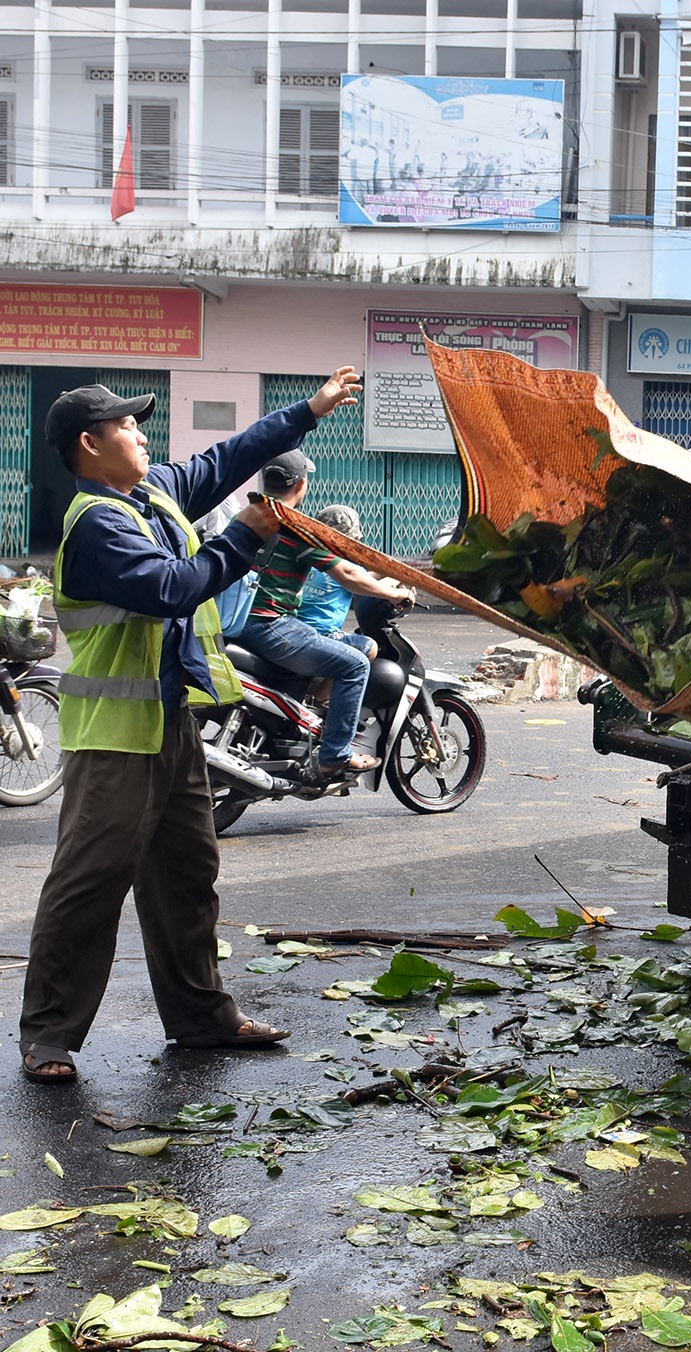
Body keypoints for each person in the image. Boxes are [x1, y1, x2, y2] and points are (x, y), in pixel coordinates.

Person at [20, 368, 364, 1085]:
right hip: (113, 735)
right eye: (127, 427)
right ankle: (49, 1034)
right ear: (91, 443)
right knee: (89, 883)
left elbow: (228, 459)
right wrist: (243, 536)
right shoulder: (98, 524)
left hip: (170, 723)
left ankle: (201, 1017)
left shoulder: (149, 497)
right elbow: (173, 588)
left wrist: (310, 409)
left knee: (187, 875)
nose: (142, 435)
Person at [234, 456, 415, 776]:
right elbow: (346, 574)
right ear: (302, 484)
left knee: (352, 649)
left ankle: (305, 720)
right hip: (270, 624)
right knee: (355, 663)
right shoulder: (295, 527)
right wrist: (393, 593)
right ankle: (335, 754)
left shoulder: (246, 516)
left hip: (236, 622)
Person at [294, 504, 370, 638]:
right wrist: (399, 584)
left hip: (293, 628)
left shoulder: (305, 557)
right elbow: (370, 585)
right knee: (371, 647)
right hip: (324, 634)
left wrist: (391, 574)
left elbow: (367, 578)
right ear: (353, 540)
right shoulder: (346, 568)